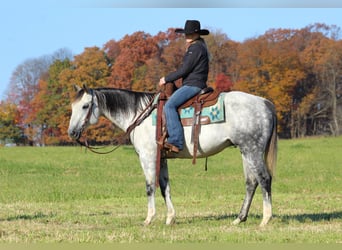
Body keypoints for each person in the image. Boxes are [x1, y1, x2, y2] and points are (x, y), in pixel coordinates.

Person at [158, 20, 210, 153]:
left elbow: (184, 70)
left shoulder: (195, 48)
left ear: (196, 34)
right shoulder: (199, 47)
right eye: (186, 33)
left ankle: (176, 141)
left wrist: (166, 78)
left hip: (194, 85)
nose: (186, 36)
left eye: (190, 33)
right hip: (195, 83)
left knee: (169, 105)